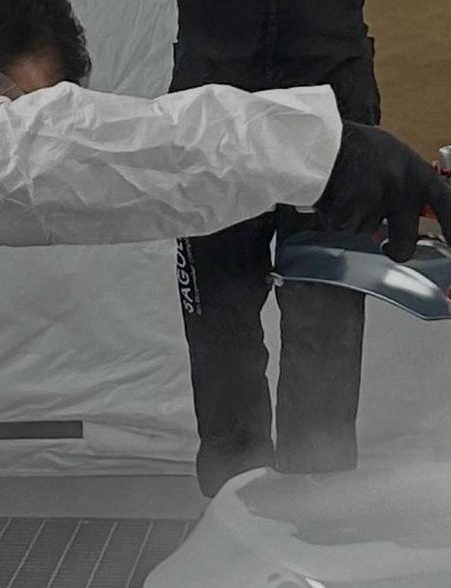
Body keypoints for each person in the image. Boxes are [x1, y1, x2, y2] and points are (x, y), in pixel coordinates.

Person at [0, 1, 451, 447]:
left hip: (327, 68)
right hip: (241, 71)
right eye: (3, 110)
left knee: (322, 327)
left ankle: (318, 507)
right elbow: (13, 160)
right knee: (224, 343)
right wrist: (317, 148)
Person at [172, 1, 405, 496]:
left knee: (326, 315)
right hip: (215, 87)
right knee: (220, 320)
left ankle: (318, 500)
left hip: (330, 80)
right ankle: (233, 498)